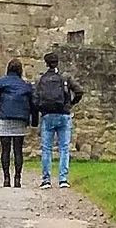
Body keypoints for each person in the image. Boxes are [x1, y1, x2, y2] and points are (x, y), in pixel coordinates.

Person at [33, 50, 83, 186]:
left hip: (48, 116)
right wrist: (71, 104)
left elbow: (35, 98)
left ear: (46, 63)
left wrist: (42, 109)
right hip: (63, 115)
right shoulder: (65, 78)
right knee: (64, 148)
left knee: (46, 149)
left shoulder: (41, 79)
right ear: (57, 63)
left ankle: (46, 180)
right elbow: (79, 91)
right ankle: (63, 179)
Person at [0, 57, 38, 188]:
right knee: (18, 150)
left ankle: (6, 178)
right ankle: (17, 178)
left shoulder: (0, 82)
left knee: (5, 150)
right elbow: (33, 103)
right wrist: (34, 121)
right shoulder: (26, 85)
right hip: (20, 119)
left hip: (4, 117)